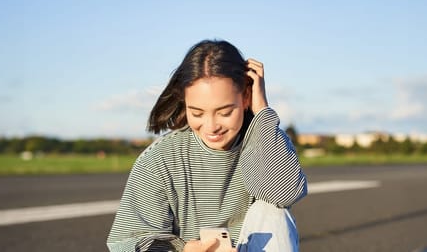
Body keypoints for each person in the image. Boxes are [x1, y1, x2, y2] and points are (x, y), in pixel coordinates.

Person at [107, 39, 307, 252]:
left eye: (224, 112)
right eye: (197, 113)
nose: (211, 127)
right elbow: (127, 244)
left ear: (246, 96)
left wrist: (262, 113)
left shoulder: (266, 140)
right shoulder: (159, 160)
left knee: (273, 212)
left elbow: (284, 194)